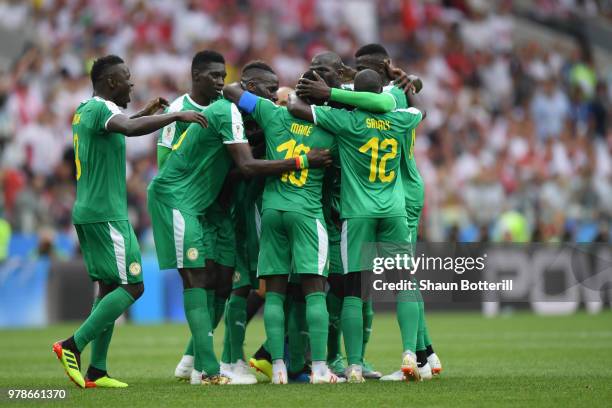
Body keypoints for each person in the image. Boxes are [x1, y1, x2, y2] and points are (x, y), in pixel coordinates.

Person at [147, 54, 332, 385]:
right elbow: (242, 167)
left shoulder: (253, 117)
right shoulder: (226, 111)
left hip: (218, 208)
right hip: (195, 204)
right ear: (249, 88)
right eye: (270, 89)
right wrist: (302, 161)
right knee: (213, 281)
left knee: (226, 282)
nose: (275, 95)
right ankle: (218, 365)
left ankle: (198, 359)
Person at [53, 54, 207, 389]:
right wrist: (174, 115)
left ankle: (98, 370)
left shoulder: (86, 110)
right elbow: (126, 127)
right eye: (126, 77)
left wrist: (144, 114)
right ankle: (72, 346)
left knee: (109, 286)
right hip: (106, 214)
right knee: (133, 285)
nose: (131, 83)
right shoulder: (103, 109)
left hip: (90, 211)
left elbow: (119, 128)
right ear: (111, 82)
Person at [288, 68, 425, 382]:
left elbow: (298, 109)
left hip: (357, 213)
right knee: (404, 282)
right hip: (394, 211)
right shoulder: (401, 119)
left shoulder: (346, 122)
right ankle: (409, 354)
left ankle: (354, 365)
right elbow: (419, 109)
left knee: (353, 289)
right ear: (379, 95)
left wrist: (329, 94)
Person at [224, 68, 342, 384]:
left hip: (274, 210)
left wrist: (281, 99)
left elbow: (231, 90)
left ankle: (276, 367)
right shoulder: (329, 128)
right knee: (314, 291)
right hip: (306, 212)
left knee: (273, 294)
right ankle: (319, 367)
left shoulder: (273, 115)